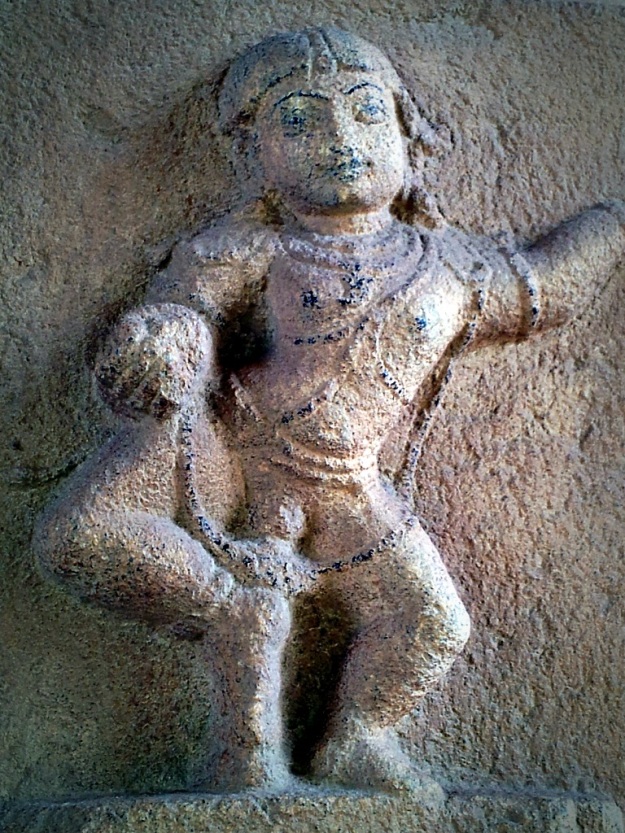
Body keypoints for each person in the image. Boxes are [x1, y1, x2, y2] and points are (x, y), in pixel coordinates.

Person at [34, 26, 625, 795]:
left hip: (347, 482)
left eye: (366, 112)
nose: (340, 138)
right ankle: (231, 622)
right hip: (235, 445)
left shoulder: (453, 267)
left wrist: (611, 222)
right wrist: (164, 342)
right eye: (299, 120)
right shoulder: (252, 245)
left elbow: (547, 286)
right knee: (82, 534)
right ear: (254, 154)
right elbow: (185, 308)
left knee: (433, 622)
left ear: (409, 134)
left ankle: (358, 736)